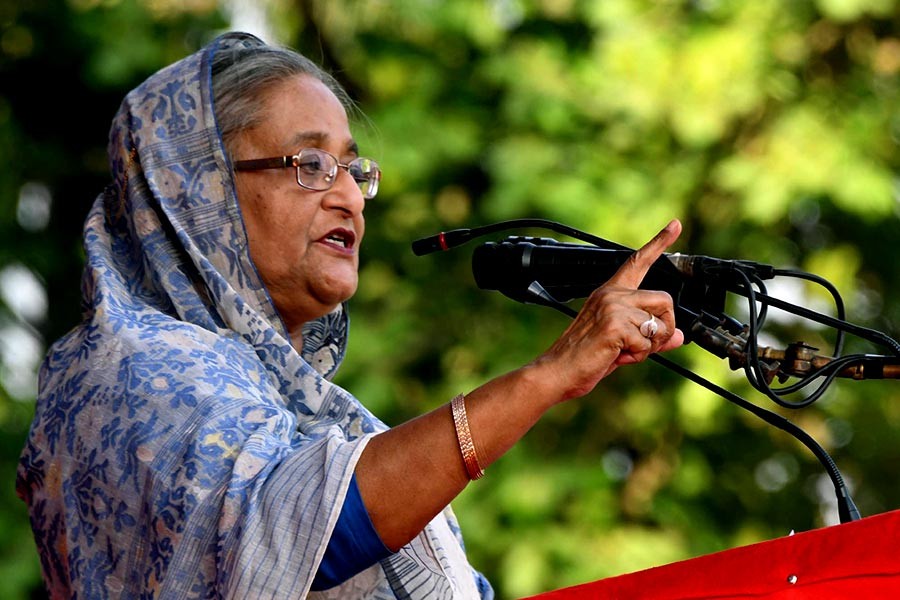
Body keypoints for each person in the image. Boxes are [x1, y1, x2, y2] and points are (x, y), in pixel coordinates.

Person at [15, 31, 684, 599]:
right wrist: (547, 377)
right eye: (310, 164)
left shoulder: (322, 419)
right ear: (199, 189)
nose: (350, 198)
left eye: (353, 170)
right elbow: (298, 533)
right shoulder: (129, 372)